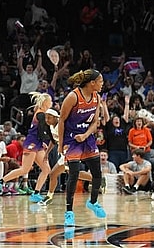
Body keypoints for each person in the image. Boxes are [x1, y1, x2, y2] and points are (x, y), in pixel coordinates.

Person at [56, 68, 107, 227]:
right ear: (92, 83)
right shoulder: (73, 96)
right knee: (74, 173)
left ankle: (93, 202)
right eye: (100, 81)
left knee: (97, 174)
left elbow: (95, 123)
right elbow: (62, 120)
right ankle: (69, 212)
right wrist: (60, 144)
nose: (102, 84)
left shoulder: (97, 97)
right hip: (71, 139)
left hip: (87, 138)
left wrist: (85, 135)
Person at [0, 92, 55, 201]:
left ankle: (36, 193)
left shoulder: (41, 113)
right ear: (45, 102)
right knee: (25, 169)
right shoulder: (40, 114)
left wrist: (45, 140)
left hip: (37, 142)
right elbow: (41, 131)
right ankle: (0, 181)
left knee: (46, 169)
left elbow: (42, 131)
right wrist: (52, 139)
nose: (52, 103)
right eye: (50, 101)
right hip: (32, 143)